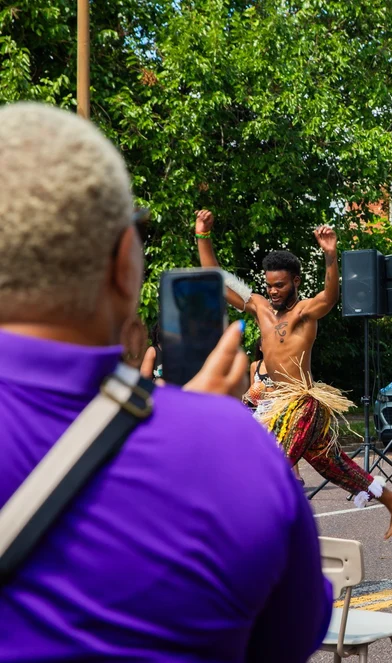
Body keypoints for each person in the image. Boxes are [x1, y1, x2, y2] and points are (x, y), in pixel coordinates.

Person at [0, 103, 331, 661]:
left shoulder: (295, 317)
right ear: (124, 264)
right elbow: (292, 638)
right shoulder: (232, 446)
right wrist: (202, 431)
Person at [195, 210, 392, 536]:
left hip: (303, 404)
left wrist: (330, 255)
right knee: (336, 466)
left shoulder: (305, 312)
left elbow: (330, 296)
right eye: (269, 285)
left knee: (271, 466)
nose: (273, 291)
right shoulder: (259, 307)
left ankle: (260, 535)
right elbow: (216, 280)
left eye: (280, 285)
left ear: (295, 281)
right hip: (276, 403)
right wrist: (203, 236)